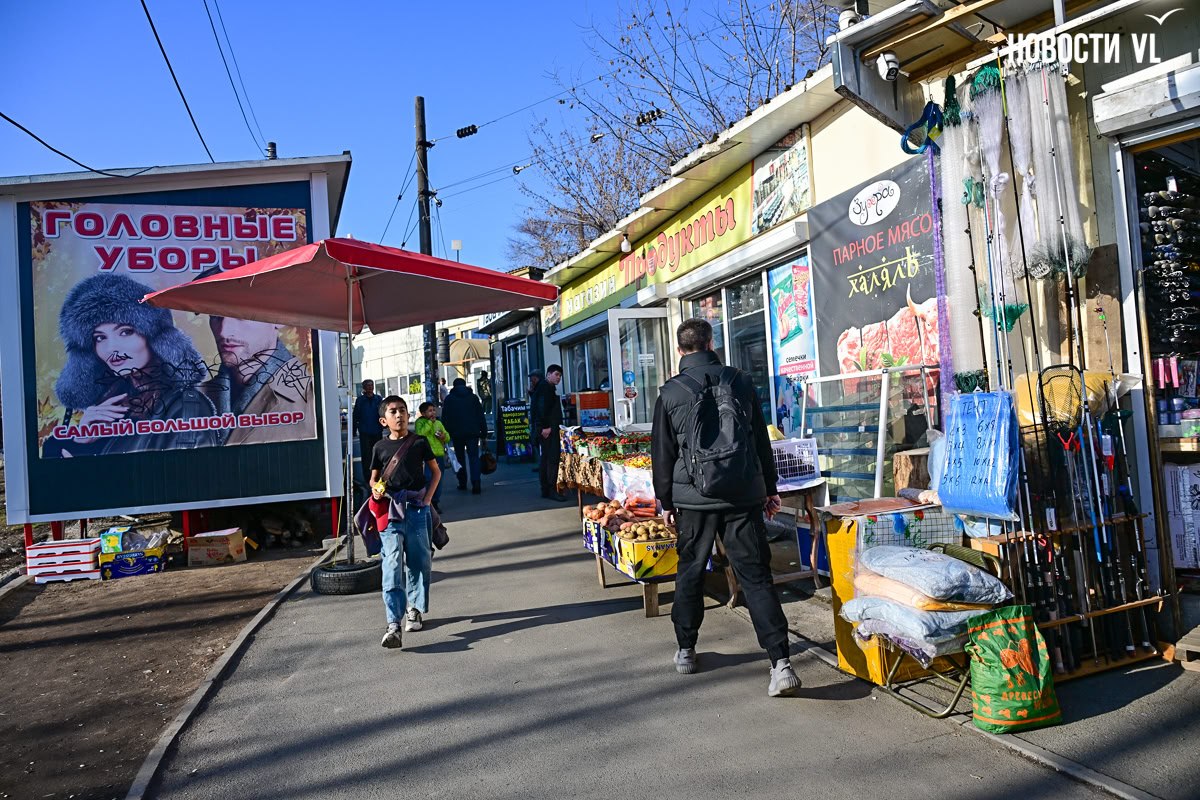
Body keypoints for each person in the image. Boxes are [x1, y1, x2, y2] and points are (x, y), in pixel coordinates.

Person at [651, 318, 801, 698]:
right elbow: (759, 440)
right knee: (756, 577)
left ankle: (686, 650)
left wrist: (665, 501)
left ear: (680, 349)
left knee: (690, 573)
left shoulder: (670, 392)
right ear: (711, 342)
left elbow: (662, 454)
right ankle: (781, 664)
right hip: (742, 495)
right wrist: (769, 489)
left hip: (692, 500)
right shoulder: (740, 381)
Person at [48, 274, 219, 457]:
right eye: (100, 337)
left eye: (125, 332)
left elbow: (185, 471)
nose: (111, 348)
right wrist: (81, 441)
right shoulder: (112, 401)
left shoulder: (186, 407)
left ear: (156, 338)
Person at [369, 395, 441, 648]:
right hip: (390, 510)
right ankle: (393, 624)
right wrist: (375, 489)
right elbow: (374, 478)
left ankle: (415, 610)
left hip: (417, 509)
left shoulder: (419, 442)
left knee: (420, 561)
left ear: (409, 416)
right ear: (384, 420)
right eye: (393, 411)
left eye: (402, 410)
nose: (399, 415)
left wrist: (427, 499)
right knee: (391, 563)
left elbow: (436, 472)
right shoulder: (379, 447)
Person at [441, 377, 488, 494]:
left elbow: (445, 418)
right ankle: (476, 482)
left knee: (460, 458)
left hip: (456, 433)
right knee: (474, 457)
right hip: (473, 433)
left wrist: (446, 434)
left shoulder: (449, 399)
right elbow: (480, 416)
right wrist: (484, 433)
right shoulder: (473, 398)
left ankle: (462, 482)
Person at [534, 364, 566, 501]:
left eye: (560, 375)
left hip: (547, 428)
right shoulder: (545, 388)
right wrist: (545, 427)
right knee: (551, 459)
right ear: (548, 374)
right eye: (556, 374)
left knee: (546, 459)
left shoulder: (546, 388)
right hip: (548, 430)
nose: (559, 378)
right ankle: (550, 489)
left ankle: (546, 490)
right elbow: (542, 409)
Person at [415, 401, 450, 512]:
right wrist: (430, 423)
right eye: (430, 411)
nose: (433, 413)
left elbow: (447, 436)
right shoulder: (420, 423)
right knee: (428, 478)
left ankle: (435, 501)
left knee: (439, 479)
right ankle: (426, 500)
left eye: (434, 410)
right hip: (427, 456)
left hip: (438, 454)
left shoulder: (438, 423)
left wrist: (443, 437)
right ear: (423, 413)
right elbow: (421, 433)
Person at [353, 380, 384, 482]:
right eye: (368, 385)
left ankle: (379, 476)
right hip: (365, 432)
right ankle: (368, 478)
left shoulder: (378, 399)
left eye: (371, 385)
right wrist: (354, 430)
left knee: (378, 454)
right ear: (364, 387)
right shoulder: (360, 400)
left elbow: (383, 413)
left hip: (377, 431)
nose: (370, 387)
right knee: (366, 456)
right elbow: (355, 415)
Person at [527, 370, 543, 471]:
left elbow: (539, 405)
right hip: (537, 420)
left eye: (532, 378)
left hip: (538, 421)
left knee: (536, 441)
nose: (531, 381)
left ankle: (542, 464)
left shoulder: (540, 388)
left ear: (536, 378)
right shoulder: (537, 388)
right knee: (536, 441)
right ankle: (541, 464)